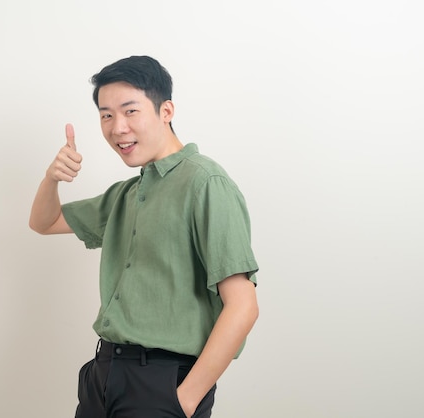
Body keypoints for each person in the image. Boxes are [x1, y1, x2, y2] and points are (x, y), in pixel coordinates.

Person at [29, 55, 259, 418]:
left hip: (163, 383)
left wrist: (183, 399)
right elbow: (45, 221)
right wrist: (52, 178)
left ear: (166, 110)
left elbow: (243, 305)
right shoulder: (127, 194)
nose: (117, 127)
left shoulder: (205, 183)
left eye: (130, 111)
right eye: (106, 115)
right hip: (103, 375)